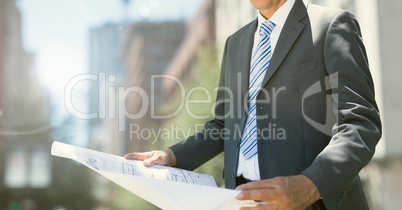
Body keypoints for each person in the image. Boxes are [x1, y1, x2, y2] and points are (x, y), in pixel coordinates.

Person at [125, 0, 382, 209]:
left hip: (311, 203)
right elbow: (224, 124)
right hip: (240, 200)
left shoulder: (331, 25)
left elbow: (360, 124)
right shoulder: (235, 42)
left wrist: (310, 185)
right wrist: (172, 156)